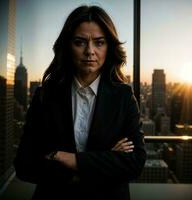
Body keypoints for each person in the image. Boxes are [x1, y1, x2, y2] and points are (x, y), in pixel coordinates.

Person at [14, 5, 146, 200]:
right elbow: (25, 165)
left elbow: (135, 163)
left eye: (99, 43)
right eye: (80, 42)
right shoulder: (46, 95)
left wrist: (66, 158)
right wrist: (105, 160)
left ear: (109, 47)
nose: (90, 51)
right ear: (68, 46)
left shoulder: (123, 97)